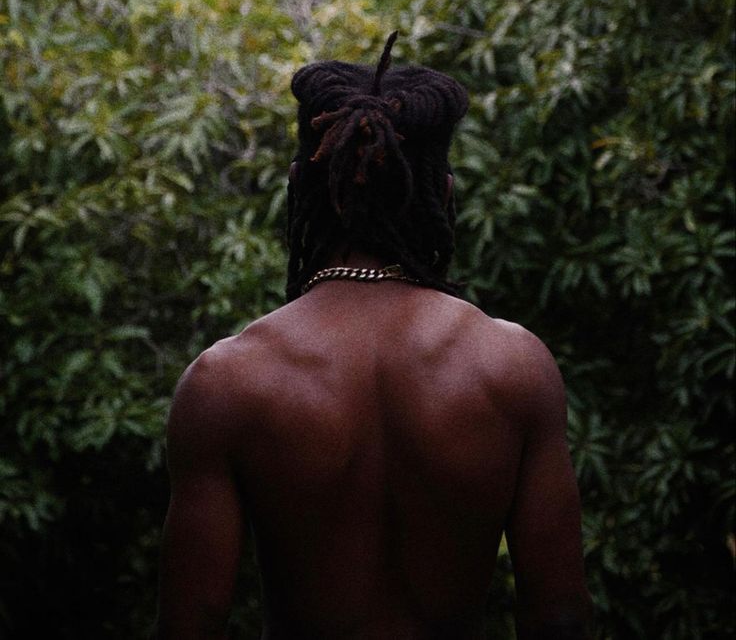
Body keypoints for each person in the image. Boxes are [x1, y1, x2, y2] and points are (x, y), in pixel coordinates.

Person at [157, 33, 592, 639]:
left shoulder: (228, 381)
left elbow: (190, 625)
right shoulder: (514, 366)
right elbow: (559, 614)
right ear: (443, 194)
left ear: (299, 188)